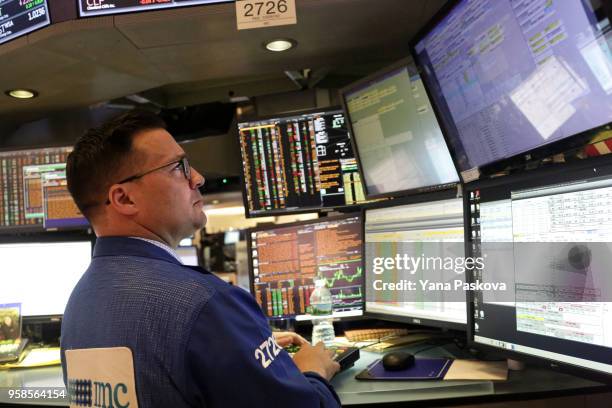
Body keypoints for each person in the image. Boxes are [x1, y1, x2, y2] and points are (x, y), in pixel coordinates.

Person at [60, 110, 341, 407]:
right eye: (178, 167)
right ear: (124, 199)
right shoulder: (207, 304)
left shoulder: (79, 305)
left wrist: (239, 346)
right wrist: (313, 370)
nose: (198, 177)